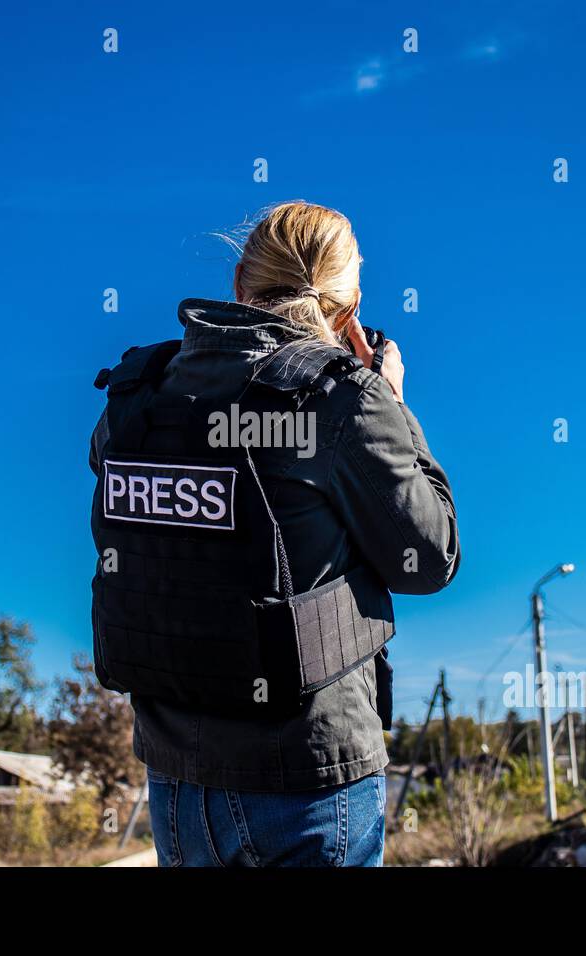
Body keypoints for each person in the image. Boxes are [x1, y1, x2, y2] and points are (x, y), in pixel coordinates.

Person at [89, 201, 460, 866]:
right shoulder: (343, 398)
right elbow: (429, 559)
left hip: (177, 780)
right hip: (307, 782)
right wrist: (395, 406)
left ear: (239, 285)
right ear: (348, 313)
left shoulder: (138, 394)